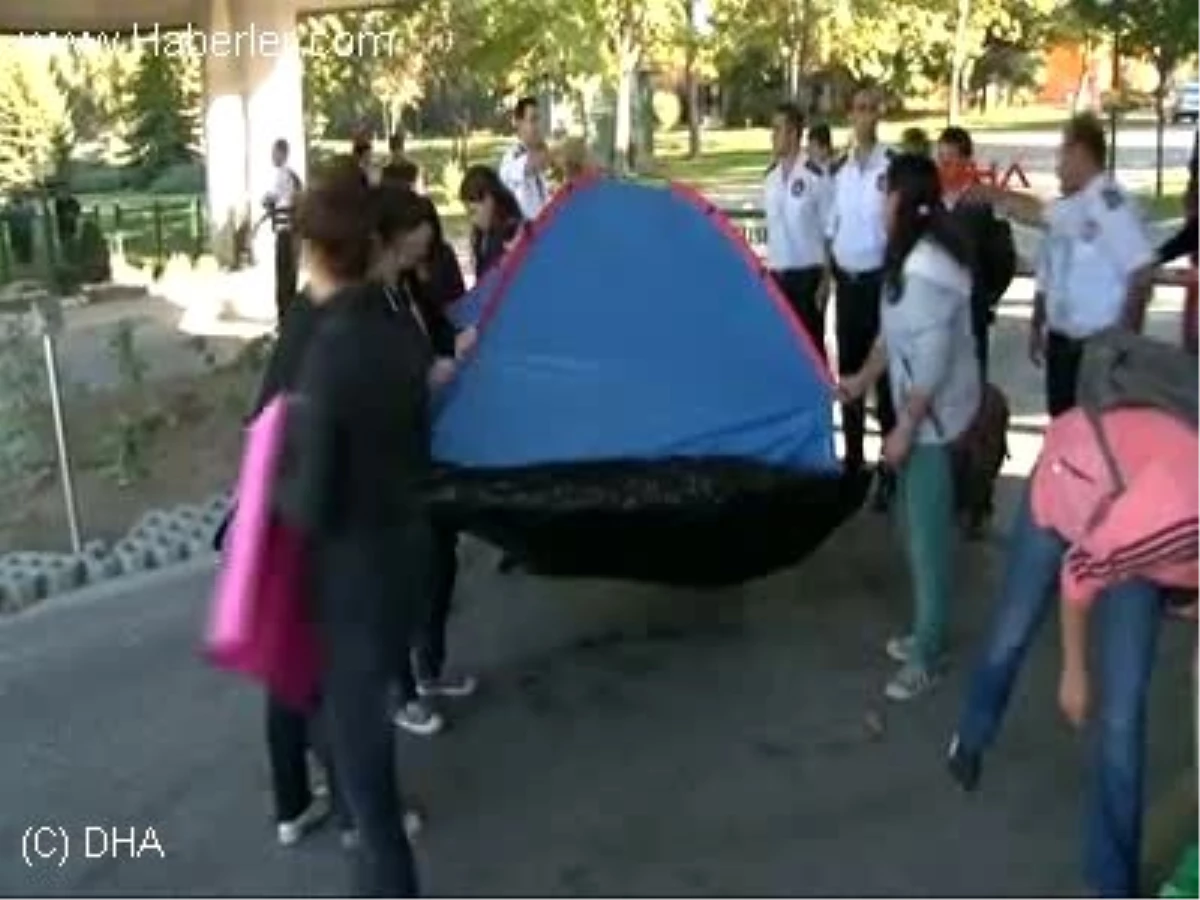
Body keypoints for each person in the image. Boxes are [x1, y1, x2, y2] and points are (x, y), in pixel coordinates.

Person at [276, 161, 426, 896]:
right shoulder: (400, 333)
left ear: (315, 254)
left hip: (344, 590)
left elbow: (308, 500)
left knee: (370, 811)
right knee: (366, 780)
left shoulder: (328, 353)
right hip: (398, 562)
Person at [837, 153, 980, 701]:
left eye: (885, 192)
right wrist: (859, 379)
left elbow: (933, 363)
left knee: (925, 539)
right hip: (923, 417)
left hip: (935, 425)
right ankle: (927, 630)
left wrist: (903, 431)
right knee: (913, 525)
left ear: (902, 201)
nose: (879, 202)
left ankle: (929, 653)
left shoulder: (925, 271)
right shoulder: (906, 259)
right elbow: (890, 338)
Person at [370, 187, 476, 739]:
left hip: (425, 449)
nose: (426, 251)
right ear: (392, 237)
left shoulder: (408, 287)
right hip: (389, 465)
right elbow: (381, 378)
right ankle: (400, 692)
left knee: (439, 561)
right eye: (419, 240)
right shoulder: (366, 303)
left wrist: (452, 345)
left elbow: (436, 330)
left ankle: (428, 669)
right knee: (401, 578)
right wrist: (427, 373)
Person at [974, 113, 1155, 416]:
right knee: (1064, 429)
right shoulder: (1072, 206)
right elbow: (1049, 265)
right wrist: (1038, 321)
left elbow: (1141, 272)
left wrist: (1124, 343)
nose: (1058, 165)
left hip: (1097, 347)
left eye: (1062, 154)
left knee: (1093, 438)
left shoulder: (1110, 203)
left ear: (1080, 152)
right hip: (1063, 343)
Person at [936, 126, 1016, 538]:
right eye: (939, 158)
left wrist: (983, 298)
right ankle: (951, 491)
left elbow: (1002, 259)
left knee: (974, 411)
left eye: (951, 158)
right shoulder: (929, 205)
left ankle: (977, 500)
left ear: (967, 161)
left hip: (970, 320)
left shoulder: (981, 205)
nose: (943, 166)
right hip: (938, 325)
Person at [826, 86, 897, 510]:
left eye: (871, 109)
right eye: (858, 109)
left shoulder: (891, 169)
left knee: (884, 381)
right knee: (850, 375)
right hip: (847, 285)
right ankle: (853, 464)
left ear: (879, 115)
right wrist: (827, 273)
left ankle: (889, 469)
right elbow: (832, 227)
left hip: (878, 284)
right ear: (850, 115)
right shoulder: (842, 170)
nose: (864, 116)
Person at [763, 102, 833, 356]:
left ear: (793, 134)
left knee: (811, 349)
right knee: (783, 351)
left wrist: (826, 281)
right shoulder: (769, 178)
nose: (772, 135)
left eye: (777, 129)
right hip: (778, 275)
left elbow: (830, 229)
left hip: (808, 276)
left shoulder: (815, 175)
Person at [259, 138, 302, 323]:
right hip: (292, 232)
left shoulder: (283, 175)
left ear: (283, 153)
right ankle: (288, 314)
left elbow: (272, 199)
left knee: (284, 275)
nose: (272, 157)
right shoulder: (292, 175)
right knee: (290, 274)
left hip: (286, 231)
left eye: (274, 153)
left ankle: (284, 316)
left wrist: (267, 200)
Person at [459, 164, 525, 280]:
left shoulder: (513, 231)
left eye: (473, 211)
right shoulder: (483, 234)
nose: (472, 220)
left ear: (490, 199)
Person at [498, 96, 549, 221]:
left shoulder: (541, 156)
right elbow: (532, 164)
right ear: (519, 123)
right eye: (533, 120)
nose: (538, 126)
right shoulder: (512, 158)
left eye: (539, 120)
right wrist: (559, 151)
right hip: (525, 234)